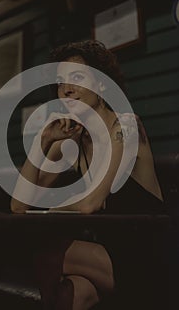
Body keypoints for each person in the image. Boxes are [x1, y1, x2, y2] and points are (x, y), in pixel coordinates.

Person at [11, 40, 164, 310]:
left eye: (77, 77)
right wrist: (43, 141)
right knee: (71, 295)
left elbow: (90, 205)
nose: (66, 88)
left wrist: (49, 210)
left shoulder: (126, 125)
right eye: (60, 82)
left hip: (149, 254)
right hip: (108, 253)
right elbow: (19, 204)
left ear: (103, 83)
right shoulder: (73, 140)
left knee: (47, 255)